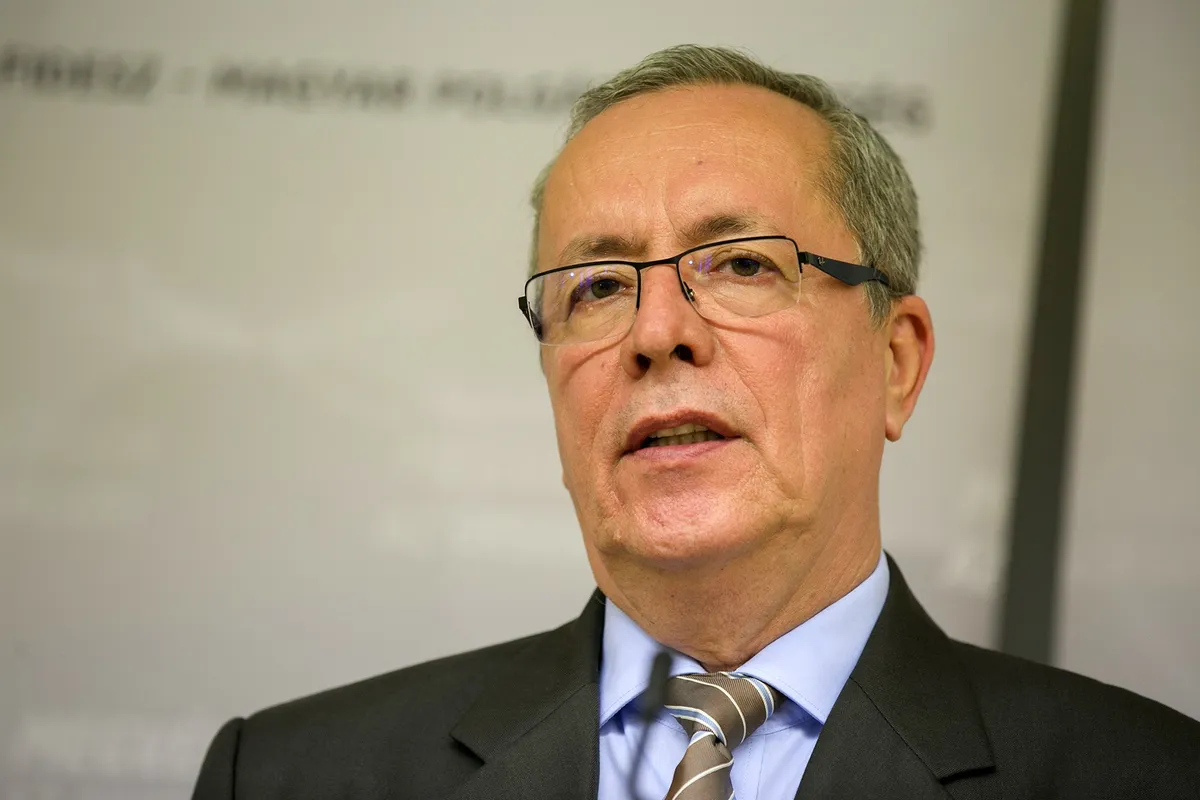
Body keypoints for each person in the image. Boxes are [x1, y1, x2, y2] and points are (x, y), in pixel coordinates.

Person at [191, 45, 1200, 799]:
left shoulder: (1146, 776)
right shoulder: (288, 776)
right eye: (596, 286)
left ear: (897, 362)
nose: (656, 332)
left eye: (743, 265)